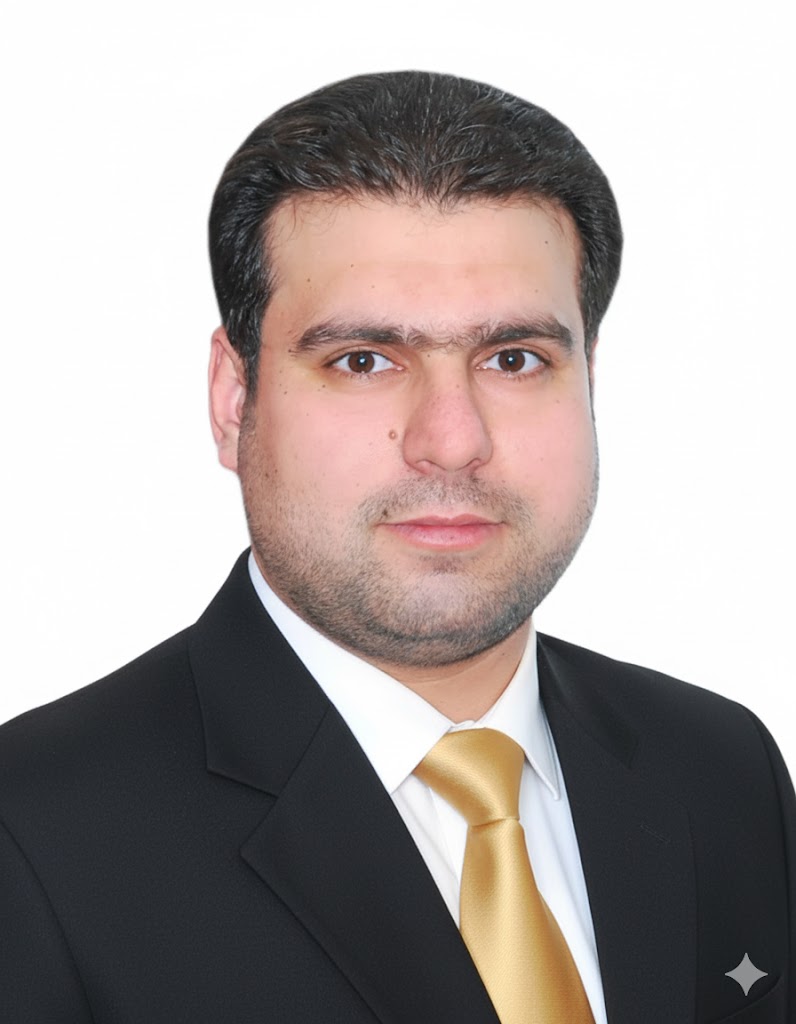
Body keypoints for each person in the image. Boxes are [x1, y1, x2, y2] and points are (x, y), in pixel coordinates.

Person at [0, 71, 793, 1024]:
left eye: (515, 359)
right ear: (233, 398)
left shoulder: (721, 768)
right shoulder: (31, 835)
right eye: (364, 360)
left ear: (589, 382)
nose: (452, 440)